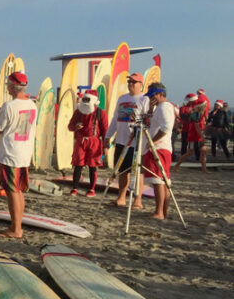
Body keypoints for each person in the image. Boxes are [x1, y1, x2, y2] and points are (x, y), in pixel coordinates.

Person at [0, 72, 37, 238]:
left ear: (12, 86)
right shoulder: (32, 104)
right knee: (18, 190)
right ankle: (17, 225)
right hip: (24, 152)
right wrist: (0, 111)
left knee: (12, 191)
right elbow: (16, 117)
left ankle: (16, 228)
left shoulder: (9, 106)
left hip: (11, 152)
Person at [103, 73, 149, 206]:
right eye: (129, 81)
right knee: (122, 171)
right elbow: (115, 119)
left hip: (137, 143)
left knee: (137, 172)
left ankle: (137, 200)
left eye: (134, 82)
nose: (130, 84)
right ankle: (121, 198)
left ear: (140, 84)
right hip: (121, 141)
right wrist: (108, 135)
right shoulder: (122, 98)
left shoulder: (144, 99)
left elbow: (148, 121)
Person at [142, 83, 175, 220]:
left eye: (152, 95)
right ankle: (163, 212)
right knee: (163, 180)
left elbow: (167, 127)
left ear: (160, 94)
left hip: (159, 148)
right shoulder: (160, 108)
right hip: (162, 147)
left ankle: (159, 211)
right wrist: (150, 109)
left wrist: (152, 141)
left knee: (158, 181)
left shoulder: (164, 107)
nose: (150, 98)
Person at [68, 89, 107, 197]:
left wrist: (105, 146)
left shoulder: (101, 113)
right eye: (84, 99)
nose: (85, 102)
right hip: (80, 141)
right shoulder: (78, 112)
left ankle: (92, 189)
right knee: (78, 165)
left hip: (94, 142)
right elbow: (70, 126)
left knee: (92, 165)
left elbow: (105, 130)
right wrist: (75, 127)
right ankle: (75, 188)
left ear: (93, 100)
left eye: (87, 99)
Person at [174, 90, 209, 172]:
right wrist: (202, 136)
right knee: (190, 152)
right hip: (195, 135)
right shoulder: (197, 114)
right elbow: (197, 126)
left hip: (195, 135)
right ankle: (176, 166)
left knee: (202, 151)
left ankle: (204, 169)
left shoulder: (197, 113)